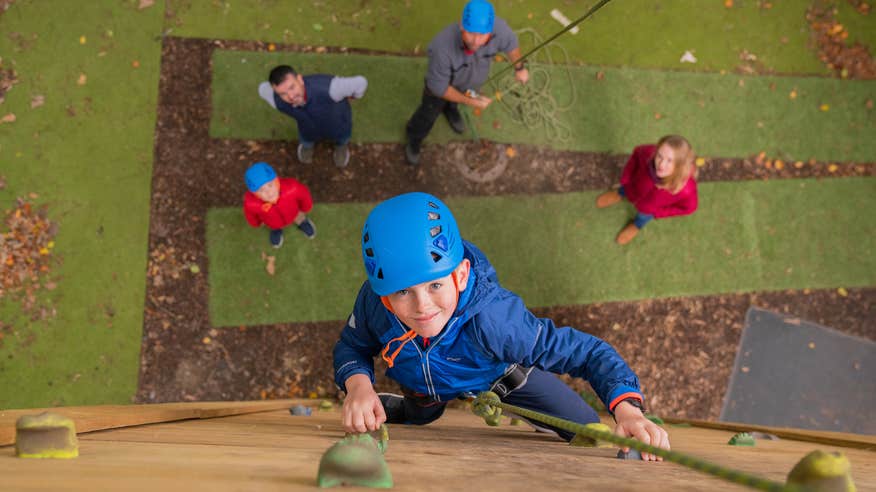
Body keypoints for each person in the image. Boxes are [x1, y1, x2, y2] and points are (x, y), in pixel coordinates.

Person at [333, 192, 670, 461]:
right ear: (385, 296)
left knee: (586, 430)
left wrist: (627, 408)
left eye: (435, 286)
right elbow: (353, 345)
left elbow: (586, 353)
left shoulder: (496, 321)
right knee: (421, 416)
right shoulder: (374, 302)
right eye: (403, 292)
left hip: (503, 381)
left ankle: (529, 415)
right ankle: (408, 408)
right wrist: (358, 385)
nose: (422, 308)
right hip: (424, 385)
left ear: (461, 275)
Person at [404, 0, 529, 165]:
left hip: (469, 84)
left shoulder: (499, 29)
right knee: (428, 114)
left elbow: (511, 44)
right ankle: (414, 137)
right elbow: (438, 87)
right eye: (471, 33)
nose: (476, 41)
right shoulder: (441, 47)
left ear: (490, 31)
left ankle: (451, 110)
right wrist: (471, 101)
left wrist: (519, 68)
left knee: (455, 103)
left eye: (483, 35)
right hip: (438, 90)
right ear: (461, 26)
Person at [596, 135, 699, 245]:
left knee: (642, 218)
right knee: (625, 190)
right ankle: (619, 194)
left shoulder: (686, 189)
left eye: (670, 161)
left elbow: (689, 208)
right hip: (632, 188)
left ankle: (636, 225)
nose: (661, 165)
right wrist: (626, 179)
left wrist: (658, 213)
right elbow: (636, 154)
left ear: (680, 165)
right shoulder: (648, 153)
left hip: (648, 210)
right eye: (659, 156)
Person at [258, 65, 368, 168]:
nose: (290, 96)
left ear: (300, 80)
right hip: (308, 129)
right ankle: (307, 147)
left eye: (292, 87)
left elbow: (361, 82)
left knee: (342, 138)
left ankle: (341, 147)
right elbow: (262, 89)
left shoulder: (329, 88)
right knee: (306, 139)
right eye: (283, 93)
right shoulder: (277, 101)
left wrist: (354, 96)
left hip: (339, 124)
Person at [243, 162, 316, 248]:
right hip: (272, 221)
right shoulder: (251, 203)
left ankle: (302, 222)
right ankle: (276, 230)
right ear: (255, 194)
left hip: (294, 212)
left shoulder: (292, 188)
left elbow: (304, 195)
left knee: (298, 216)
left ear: (276, 181)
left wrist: (306, 207)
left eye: (270, 185)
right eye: (261, 190)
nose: (269, 192)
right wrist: (256, 223)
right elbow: (250, 214)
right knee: (274, 225)